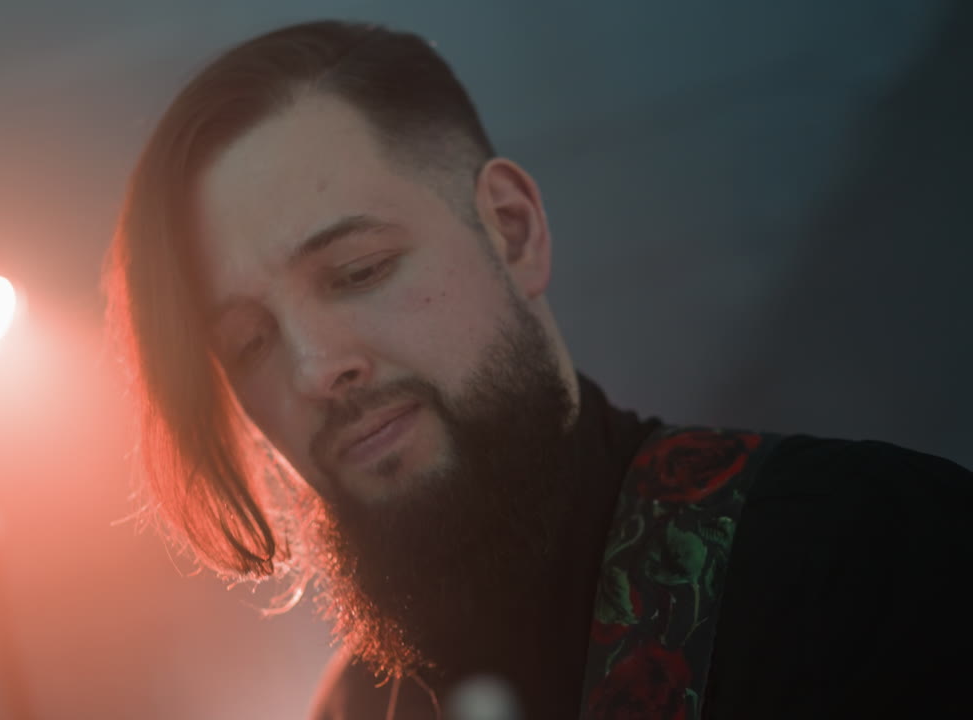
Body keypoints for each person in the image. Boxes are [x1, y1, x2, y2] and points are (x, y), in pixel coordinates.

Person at [104, 20, 971, 719]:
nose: (315, 368)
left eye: (358, 271)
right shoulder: (352, 712)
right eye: (248, 341)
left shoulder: (864, 551)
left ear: (512, 230)